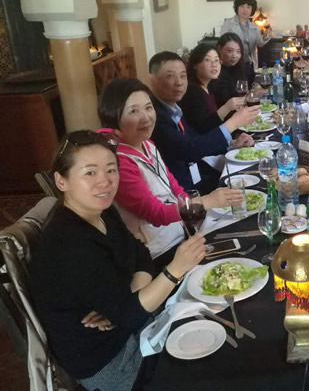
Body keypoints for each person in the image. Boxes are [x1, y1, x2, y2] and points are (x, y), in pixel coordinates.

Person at [30, 130, 206, 391]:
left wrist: (131, 298)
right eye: (90, 172)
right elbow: (128, 314)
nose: (105, 181)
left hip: (137, 325)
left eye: (111, 170)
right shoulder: (67, 243)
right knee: (203, 374)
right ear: (61, 181)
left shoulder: (103, 212)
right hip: (109, 359)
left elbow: (141, 255)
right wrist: (174, 271)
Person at [98, 78, 243, 259]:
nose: (146, 117)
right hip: (160, 252)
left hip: (181, 235)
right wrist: (206, 201)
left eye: (148, 107)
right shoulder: (118, 161)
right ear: (113, 116)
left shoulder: (147, 143)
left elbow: (174, 187)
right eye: (134, 111)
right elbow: (154, 213)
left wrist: (193, 216)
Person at [148, 51, 258, 194]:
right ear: (151, 80)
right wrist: (233, 123)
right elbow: (189, 149)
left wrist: (232, 144)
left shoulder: (173, 108)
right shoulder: (153, 115)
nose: (179, 82)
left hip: (198, 177)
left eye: (183, 76)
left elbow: (194, 138)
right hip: (181, 192)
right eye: (170, 76)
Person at [179, 43, 246, 134]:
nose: (214, 64)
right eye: (207, 60)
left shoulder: (210, 86)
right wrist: (227, 107)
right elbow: (201, 128)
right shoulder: (192, 90)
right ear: (195, 65)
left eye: (216, 60)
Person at [219, 0, 271, 70]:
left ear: (252, 10)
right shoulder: (228, 23)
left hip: (250, 63)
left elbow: (259, 43)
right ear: (237, 8)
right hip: (233, 63)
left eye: (248, 7)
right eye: (242, 6)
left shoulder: (254, 26)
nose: (245, 10)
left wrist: (266, 36)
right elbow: (222, 44)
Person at [212, 32, 254, 109]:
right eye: (229, 51)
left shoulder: (239, 68)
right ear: (219, 49)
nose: (234, 56)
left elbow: (244, 93)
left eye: (238, 51)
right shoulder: (214, 72)